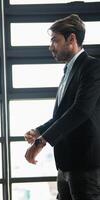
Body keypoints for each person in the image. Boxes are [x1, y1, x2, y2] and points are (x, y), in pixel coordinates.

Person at [24, 14, 100, 200]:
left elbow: (80, 110)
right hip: (66, 163)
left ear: (71, 39)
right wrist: (40, 130)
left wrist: (42, 141)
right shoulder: (68, 70)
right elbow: (64, 112)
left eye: (55, 41)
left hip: (85, 164)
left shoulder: (92, 67)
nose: (51, 47)